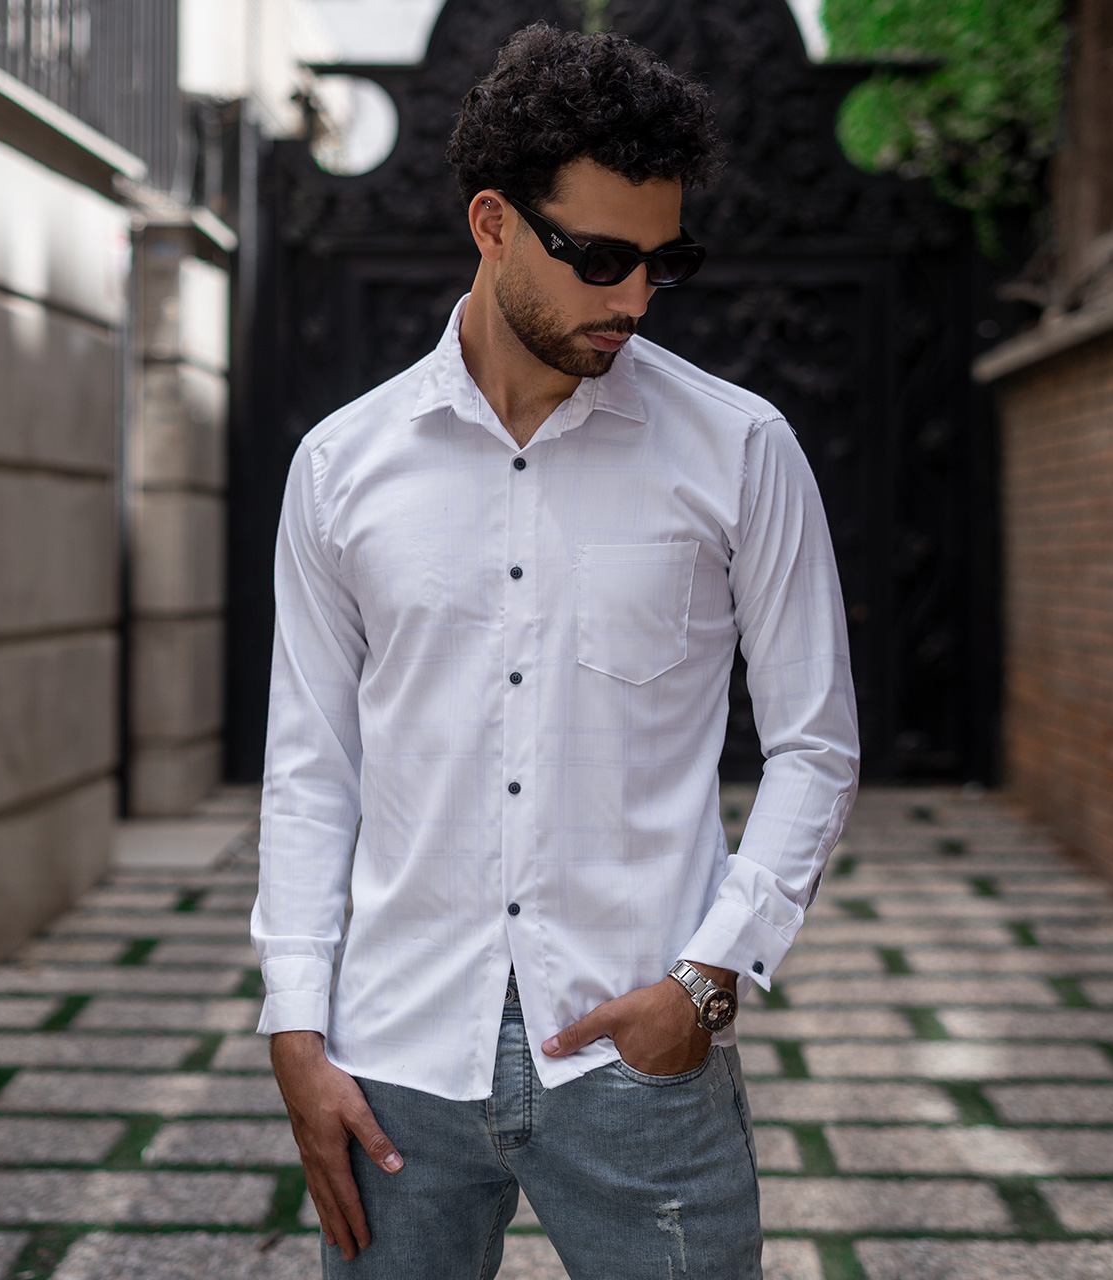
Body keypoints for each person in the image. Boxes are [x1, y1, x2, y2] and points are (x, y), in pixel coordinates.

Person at [252, 21, 858, 1279]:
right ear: (492, 223)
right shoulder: (340, 466)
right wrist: (296, 1027)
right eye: (597, 257)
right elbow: (313, 765)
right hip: (392, 1059)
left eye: (662, 261)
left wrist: (707, 979)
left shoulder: (740, 450)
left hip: (639, 1058)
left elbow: (815, 746)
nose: (632, 298)